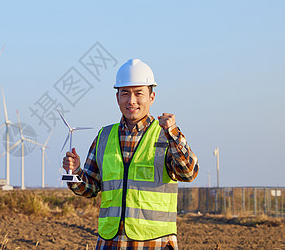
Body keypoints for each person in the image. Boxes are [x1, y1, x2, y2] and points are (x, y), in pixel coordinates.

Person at [62, 59, 199, 250]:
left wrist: (174, 134)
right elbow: (90, 188)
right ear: (117, 97)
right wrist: (75, 172)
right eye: (125, 93)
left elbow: (189, 173)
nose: (131, 100)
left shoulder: (166, 136)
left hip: (155, 244)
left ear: (152, 97)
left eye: (138, 93)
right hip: (111, 243)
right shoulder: (104, 137)